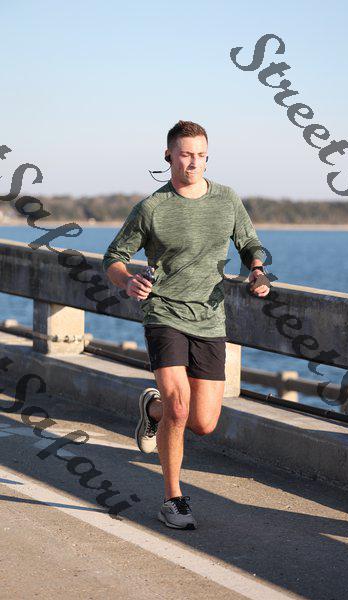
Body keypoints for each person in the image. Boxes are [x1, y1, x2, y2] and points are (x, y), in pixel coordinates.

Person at [102, 120, 270, 530]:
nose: (193, 163)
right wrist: (127, 281)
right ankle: (173, 499)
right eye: (185, 154)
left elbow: (249, 243)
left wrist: (257, 269)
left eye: (200, 155)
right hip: (163, 314)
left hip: (209, 318)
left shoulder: (227, 199)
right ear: (168, 156)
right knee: (180, 407)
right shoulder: (152, 207)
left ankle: (152, 408)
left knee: (203, 422)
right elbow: (114, 257)